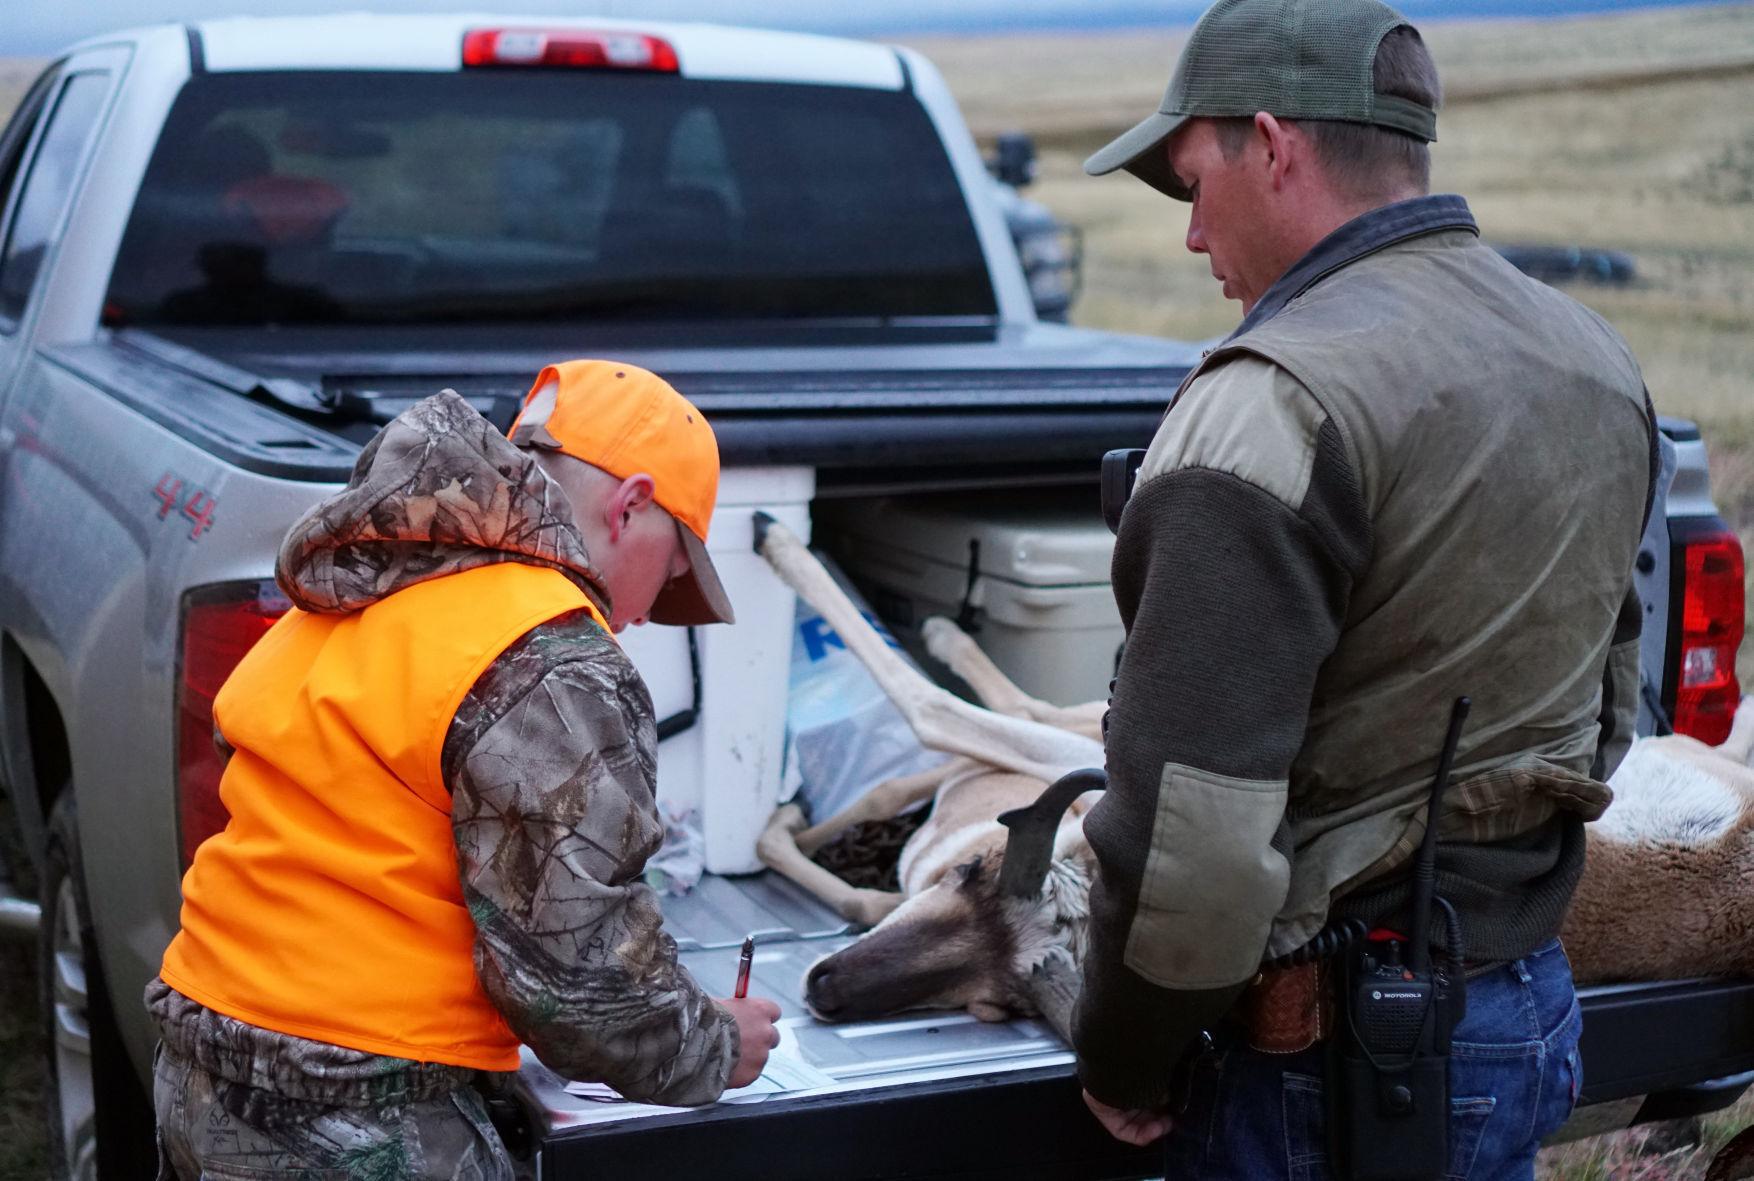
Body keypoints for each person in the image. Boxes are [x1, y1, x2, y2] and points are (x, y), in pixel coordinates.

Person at [1073, 1, 1656, 1176]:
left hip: (1326, 1071)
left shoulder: (1269, 406)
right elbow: (1603, 711)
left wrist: (1125, 1052)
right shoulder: (1592, 358)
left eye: (1192, 184)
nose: (1191, 235)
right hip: (1522, 1011)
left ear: (1271, 145)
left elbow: (1193, 842)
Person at [148, 361, 782, 1177]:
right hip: (357, 1106)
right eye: (673, 570)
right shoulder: (551, 658)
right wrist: (715, 1042)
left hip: (200, 1063)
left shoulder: (370, 585)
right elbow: (578, 982)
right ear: (630, 505)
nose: (647, 612)